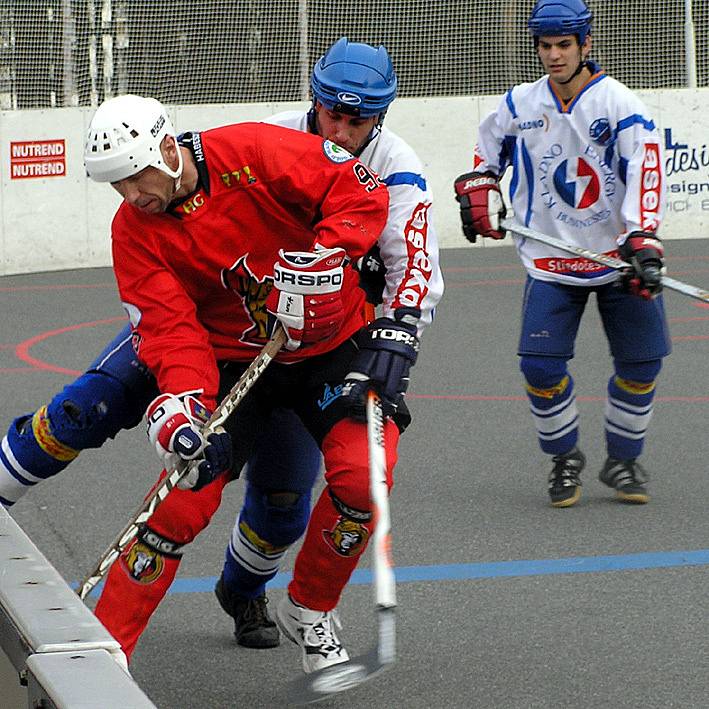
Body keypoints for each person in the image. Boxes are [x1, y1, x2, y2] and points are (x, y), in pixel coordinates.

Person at [83, 90, 413, 676]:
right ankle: (101, 656)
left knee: (365, 477)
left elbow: (361, 191)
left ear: (165, 147)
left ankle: (310, 607)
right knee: (183, 494)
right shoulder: (135, 230)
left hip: (332, 346)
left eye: (135, 178)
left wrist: (325, 259)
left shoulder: (252, 149)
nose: (131, 196)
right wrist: (181, 407)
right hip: (236, 362)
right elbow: (169, 329)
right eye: (118, 186)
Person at [214, 36, 443, 651]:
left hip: (336, 347)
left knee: (301, 497)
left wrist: (395, 341)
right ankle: (233, 592)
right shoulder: (268, 137)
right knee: (256, 489)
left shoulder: (398, 165)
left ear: (382, 117)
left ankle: (265, 592)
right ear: (312, 101)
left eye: (357, 119)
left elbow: (413, 269)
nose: (339, 132)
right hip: (255, 341)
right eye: (329, 113)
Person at [454, 0, 669, 508]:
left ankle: (623, 458)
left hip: (617, 261)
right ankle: (564, 458)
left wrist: (643, 238)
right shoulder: (518, 106)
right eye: (546, 46)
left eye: (564, 46)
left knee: (642, 365)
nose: (553, 56)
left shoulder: (619, 105)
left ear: (586, 45)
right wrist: (481, 188)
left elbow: (647, 171)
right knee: (540, 368)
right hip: (550, 262)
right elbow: (485, 156)